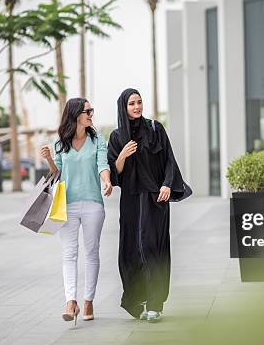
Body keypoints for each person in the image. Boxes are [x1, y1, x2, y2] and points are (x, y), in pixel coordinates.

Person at [107, 88, 188, 322]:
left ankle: (155, 303)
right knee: (132, 250)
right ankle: (137, 301)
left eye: (139, 102)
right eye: (132, 103)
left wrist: (167, 185)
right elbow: (115, 175)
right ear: (124, 107)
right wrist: (122, 156)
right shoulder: (116, 137)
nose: (137, 107)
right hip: (131, 202)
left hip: (156, 200)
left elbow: (169, 160)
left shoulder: (155, 129)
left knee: (154, 248)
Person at [40, 98, 112, 325]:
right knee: (69, 254)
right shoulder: (60, 142)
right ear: (75, 114)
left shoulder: (97, 138)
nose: (91, 113)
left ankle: (88, 300)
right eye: (87, 110)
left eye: (92, 109)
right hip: (67, 204)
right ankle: (71, 301)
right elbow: (57, 174)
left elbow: (103, 164)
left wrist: (107, 182)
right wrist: (49, 159)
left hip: (93, 203)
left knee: (91, 252)